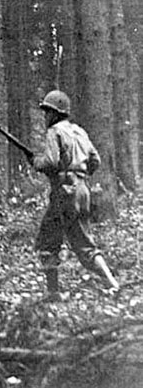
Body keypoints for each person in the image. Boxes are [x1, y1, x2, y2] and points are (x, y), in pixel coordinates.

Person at [30, 90, 120, 299]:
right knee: (84, 243)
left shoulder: (54, 132)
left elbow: (51, 162)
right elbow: (95, 160)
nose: (45, 117)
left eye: (48, 112)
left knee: (47, 242)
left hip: (64, 192)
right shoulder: (79, 131)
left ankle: (53, 293)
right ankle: (112, 283)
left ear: (55, 114)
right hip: (82, 191)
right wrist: (79, 175)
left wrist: (36, 162)